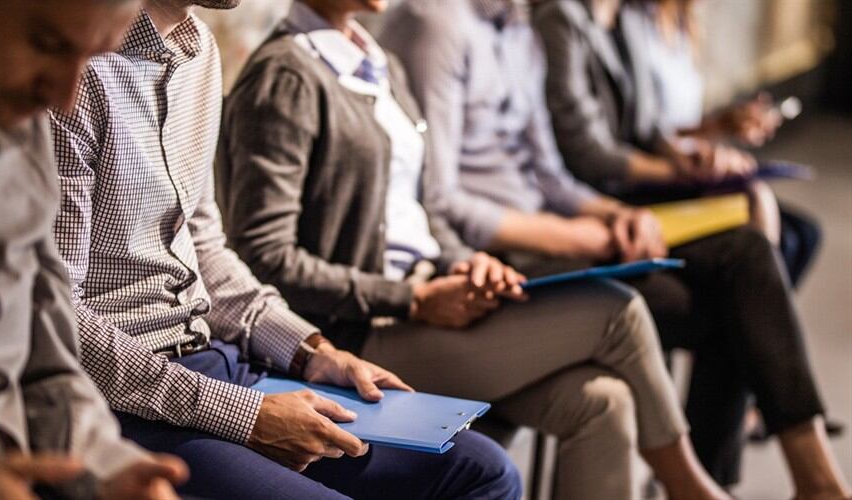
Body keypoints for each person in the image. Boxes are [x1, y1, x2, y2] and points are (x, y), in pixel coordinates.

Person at [217, 1, 730, 499]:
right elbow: (265, 256)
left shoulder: (377, 59)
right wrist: (412, 298)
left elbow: (423, 212)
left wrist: (465, 262)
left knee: (602, 401)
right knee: (621, 312)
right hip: (360, 330)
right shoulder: (285, 75)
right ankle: (689, 486)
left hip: (428, 296)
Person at [48, 0, 522, 498]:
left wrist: (310, 351)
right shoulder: (75, 73)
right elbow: (58, 320)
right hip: (126, 397)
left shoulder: (200, 51)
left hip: (214, 357)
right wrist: (243, 415)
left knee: (483, 468)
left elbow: (206, 247)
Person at [381, 1, 852, 499]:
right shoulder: (440, 24)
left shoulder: (518, 26)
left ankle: (792, 479)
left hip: (552, 223)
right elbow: (442, 200)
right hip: (501, 254)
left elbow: (550, 173)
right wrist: (587, 235)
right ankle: (730, 484)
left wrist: (612, 214)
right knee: (733, 302)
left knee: (746, 257)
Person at [0, 0, 190, 499]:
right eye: (47, 45)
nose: (64, 99)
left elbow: (49, 366)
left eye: (91, 58)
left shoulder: (21, 134)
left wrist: (111, 468)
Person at [537, 0, 820, 287]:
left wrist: (688, 158)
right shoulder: (561, 18)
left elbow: (648, 123)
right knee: (753, 225)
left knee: (787, 221)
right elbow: (587, 153)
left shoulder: (627, 17)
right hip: (605, 189)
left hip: (639, 176)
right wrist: (679, 170)